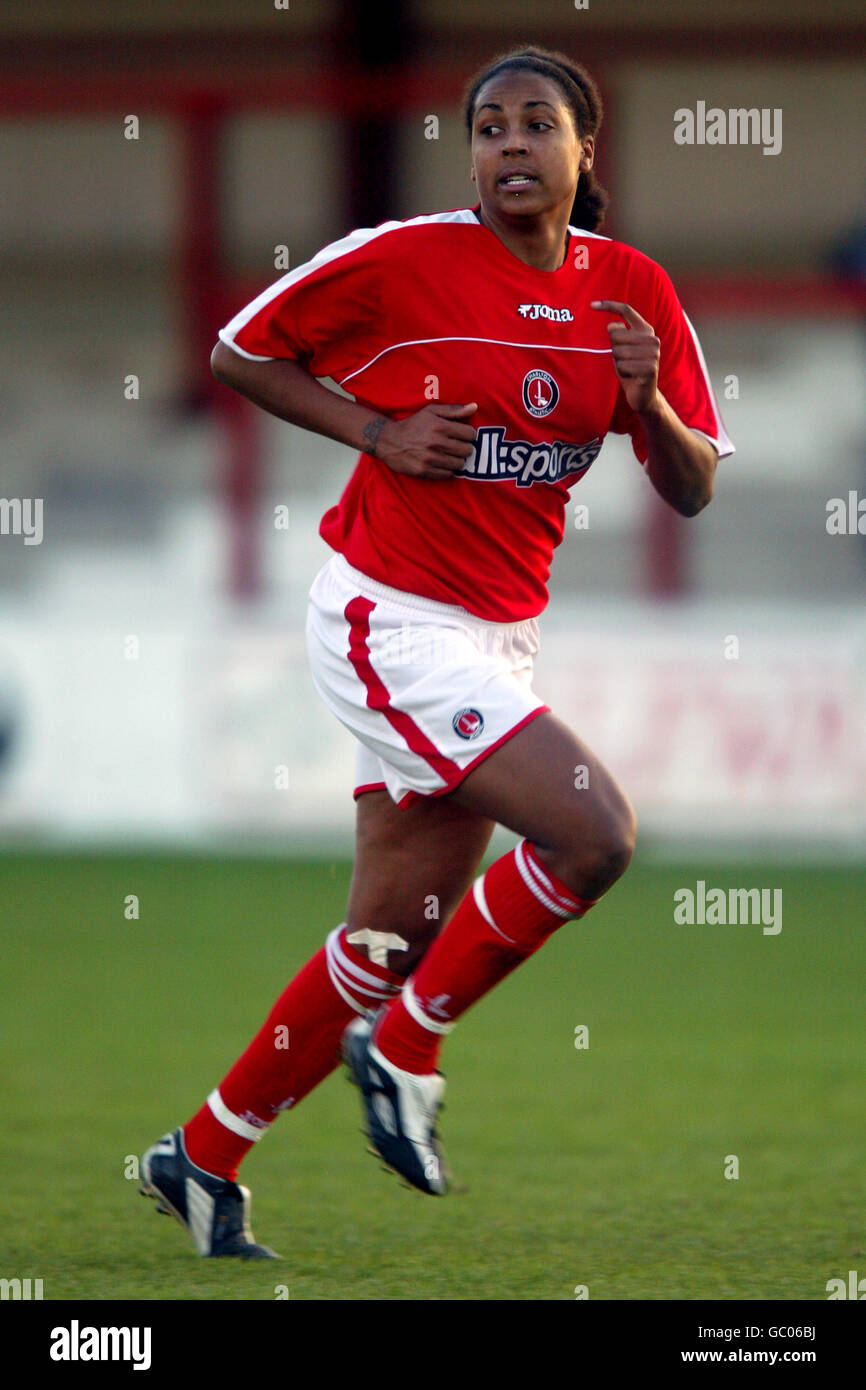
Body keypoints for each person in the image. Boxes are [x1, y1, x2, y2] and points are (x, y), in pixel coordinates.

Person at [139, 43, 734, 1258]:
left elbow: (691, 489)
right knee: (591, 831)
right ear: (471, 154)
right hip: (386, 620)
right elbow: (238, 350)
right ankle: (406, 1050)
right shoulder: (404, 256)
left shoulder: (632, 294)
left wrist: (651, 403)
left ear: (583, 151)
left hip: (494, 640)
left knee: (393, 931)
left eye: (535, 125)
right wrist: (374, 428)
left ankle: (201, 1155)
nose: (509, 144)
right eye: (489, 127)